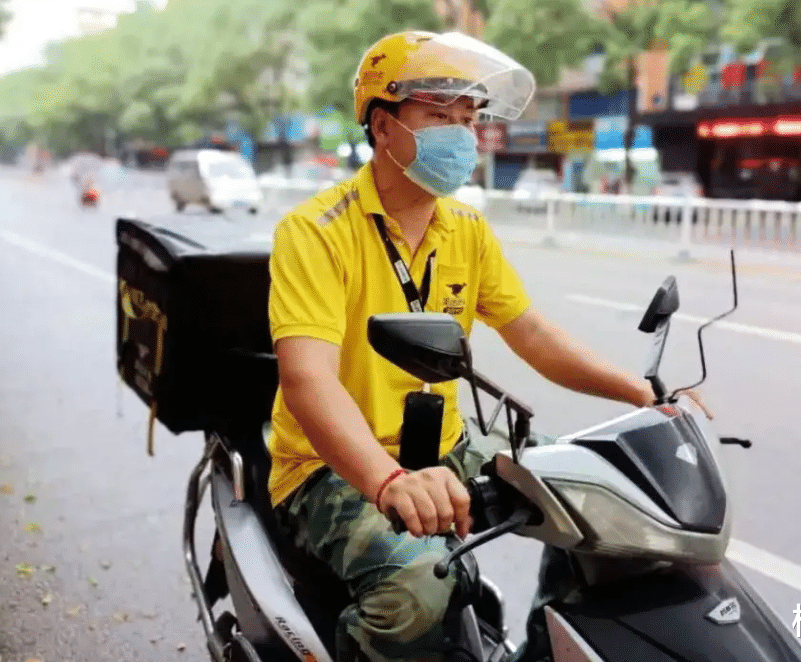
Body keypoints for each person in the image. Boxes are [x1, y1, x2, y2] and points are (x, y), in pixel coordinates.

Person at [266, 30, 713, 662]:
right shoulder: (314, 233)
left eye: (469, 120)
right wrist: (387, 481)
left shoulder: (466, 229)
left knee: (599, 502)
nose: (462, 136)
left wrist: (641, 394)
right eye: (439, 117)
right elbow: (308, 380)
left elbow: (531, 333)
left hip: (444, 444)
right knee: (420, 587)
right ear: (383, 126)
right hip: (332, 466)